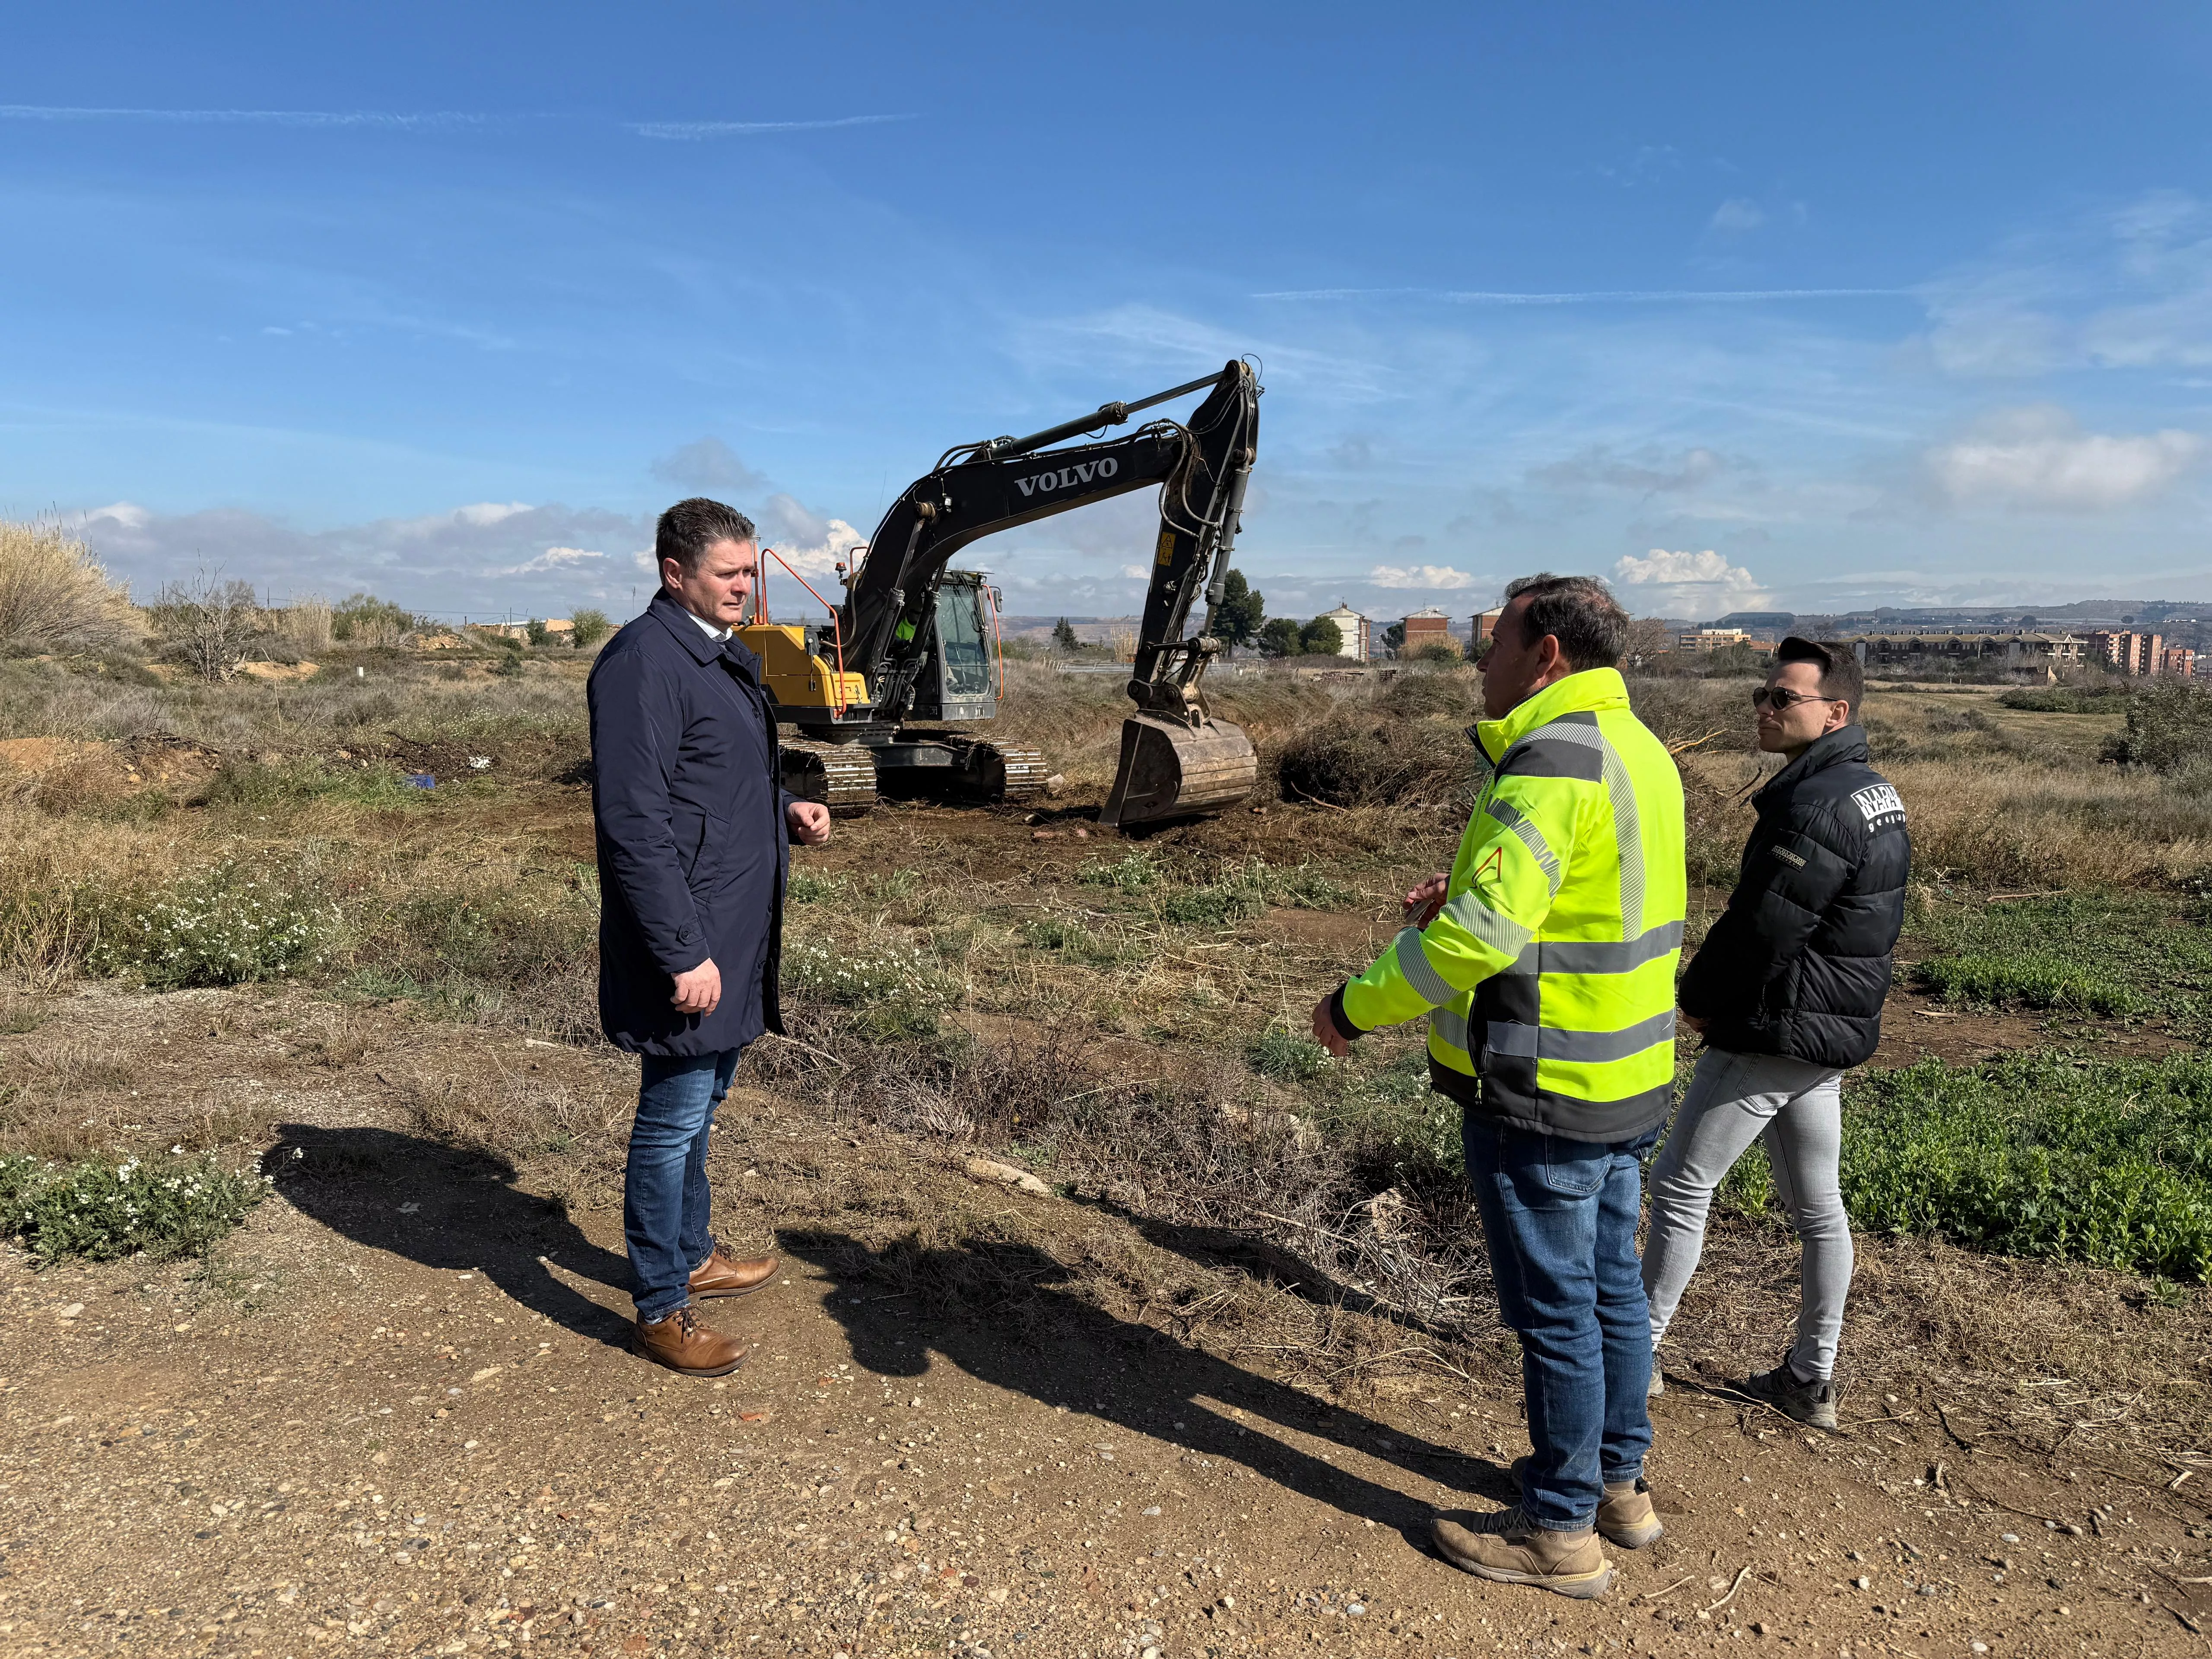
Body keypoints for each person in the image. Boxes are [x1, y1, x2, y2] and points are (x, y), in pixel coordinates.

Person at [1311, 574, 1686, 1600]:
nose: (1479, 663)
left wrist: (1354, 1003)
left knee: (1556, 1309)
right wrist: (1467, 881)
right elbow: (1581, 893)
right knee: (1610, 1288)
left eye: (1493, 643)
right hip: (1626, 1076)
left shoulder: (1548, 761)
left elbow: (1480, 938)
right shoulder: (1637, 750)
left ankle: (1559, 1533)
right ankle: (1619, 1487)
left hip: (1544, 1083)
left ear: (1547, 654)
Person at [588, 497, 833, 1377]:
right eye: (729, 574)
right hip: (691, 936)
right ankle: (661, 1304)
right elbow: (634, 821)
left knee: (702, 1109)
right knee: (671, 1118)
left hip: (731, 926)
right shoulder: (643, 664)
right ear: (674, 573)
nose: (745, 587)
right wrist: (679, 950)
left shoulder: (714, 657)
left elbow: (713, 781)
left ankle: (691, 1251)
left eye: (750, 571)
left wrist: (783, 807)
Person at [1646, 636, 1908, 1430]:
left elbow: (1764, 927)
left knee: (1680, 1188)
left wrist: (1700, 1000)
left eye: (1782, 698)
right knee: (1819, 1208)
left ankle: (1633, 1356)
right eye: (1762, 694)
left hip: (1778, 1029)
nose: (1764, 707)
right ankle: (1809, 1379)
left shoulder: (1818, 804)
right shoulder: (1871, 791)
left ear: (1837, 712)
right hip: (1822, 1031)